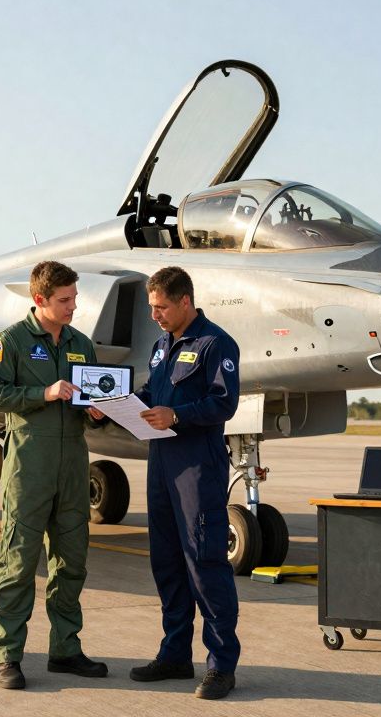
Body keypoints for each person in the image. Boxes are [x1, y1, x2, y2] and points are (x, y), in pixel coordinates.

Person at [0, 260, 109, 690]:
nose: (74, 306)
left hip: (73, 466)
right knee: (17, 565)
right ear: (40, 300)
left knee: (71, 564)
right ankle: (8, 656)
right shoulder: (11, 341)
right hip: (28, 468)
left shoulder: (80, 344)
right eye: (65, 300)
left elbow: (92, 403)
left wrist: (96, 410)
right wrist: (44, 392)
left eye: (75, 297)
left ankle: (66, 650)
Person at [129, 265, 242, 700]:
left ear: (185, 302)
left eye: (161, 308)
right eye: (151, 307)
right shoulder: (162, 346)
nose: (155, 315)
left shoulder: (216, 343)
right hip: (160, 464)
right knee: (168, 564)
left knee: (204, 562)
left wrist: (177, 415)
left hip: (197, 465)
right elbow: (153, 395)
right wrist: (114, 403)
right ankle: (175, 654)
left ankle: (221, 665)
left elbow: (223, 403)